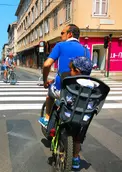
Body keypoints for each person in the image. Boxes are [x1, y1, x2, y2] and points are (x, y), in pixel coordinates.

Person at [38, 24, 91, 169]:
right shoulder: (87, 51)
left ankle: (48, 118)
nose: (61, 35)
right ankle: (75, 157)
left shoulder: (60, 46)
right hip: (81, 94)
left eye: (62, 32)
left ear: (69, 34)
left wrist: (45, 81)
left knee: (50, 94)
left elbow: (47, 64)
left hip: (62, 90)